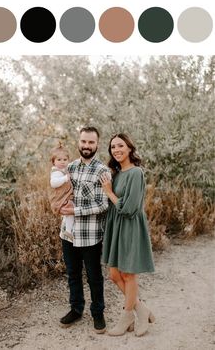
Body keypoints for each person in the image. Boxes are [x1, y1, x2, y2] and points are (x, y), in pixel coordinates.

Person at [100, 133, 155, 337]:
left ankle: (127, 316)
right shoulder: (116, 173)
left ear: (130, 148)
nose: (116, 150)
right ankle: (141, 310)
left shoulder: (136, 173)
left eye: (120, 145)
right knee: (114, 274)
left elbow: (130, 208)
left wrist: (109, 192)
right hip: (116, 226)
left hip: (130, 225)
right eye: (113, 147)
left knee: (128, 274)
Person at [59, 126, 110, 334]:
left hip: (90, 234)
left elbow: (103, 204)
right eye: (83, 142)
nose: (86, 146)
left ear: (97, 144)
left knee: (94, 276)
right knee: (72, 274)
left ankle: (98, 312)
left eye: (91, 142)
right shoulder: (69, 168)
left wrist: (75, 210)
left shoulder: (102, 171)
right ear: (78, 142)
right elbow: (60, 192)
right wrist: (59, 205)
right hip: (68, 233)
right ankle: (76, 309)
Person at [49, 143, 74, 241]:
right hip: (60, 198)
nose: (62, 162)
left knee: (70, 213)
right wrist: (65, 178)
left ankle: (69, 230)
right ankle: (68, 230)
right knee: (70, 211)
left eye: (65, 160)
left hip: (65, 196)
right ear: (53, 162)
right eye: (59, 160)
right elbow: (53, 183)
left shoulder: (63, 170)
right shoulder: (56, 172)